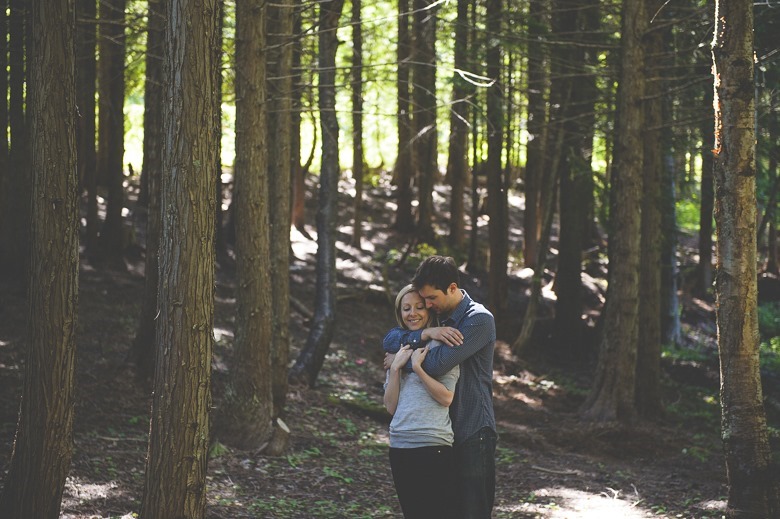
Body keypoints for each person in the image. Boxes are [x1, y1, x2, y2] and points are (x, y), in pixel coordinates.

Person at [384, 256, 497, 519]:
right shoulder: (438, 321)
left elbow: (438, 363)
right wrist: (425, 334)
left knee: (473, 512)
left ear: (453, 289)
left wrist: (401, 361)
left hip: (472, 430)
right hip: (443, 435)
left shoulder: (478, 320)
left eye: (431, 299)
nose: (428, 306)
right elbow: (390, 338)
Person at [384, 284, 460, 519]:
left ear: (429, 309)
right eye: (406, 308)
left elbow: (446, 397)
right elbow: (390, 406)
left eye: (419, 307)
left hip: (432, 443)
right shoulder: (398, 348)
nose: (413, 313)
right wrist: (396, 367)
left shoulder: (443, 345)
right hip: (400, 444)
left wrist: (417, 368)